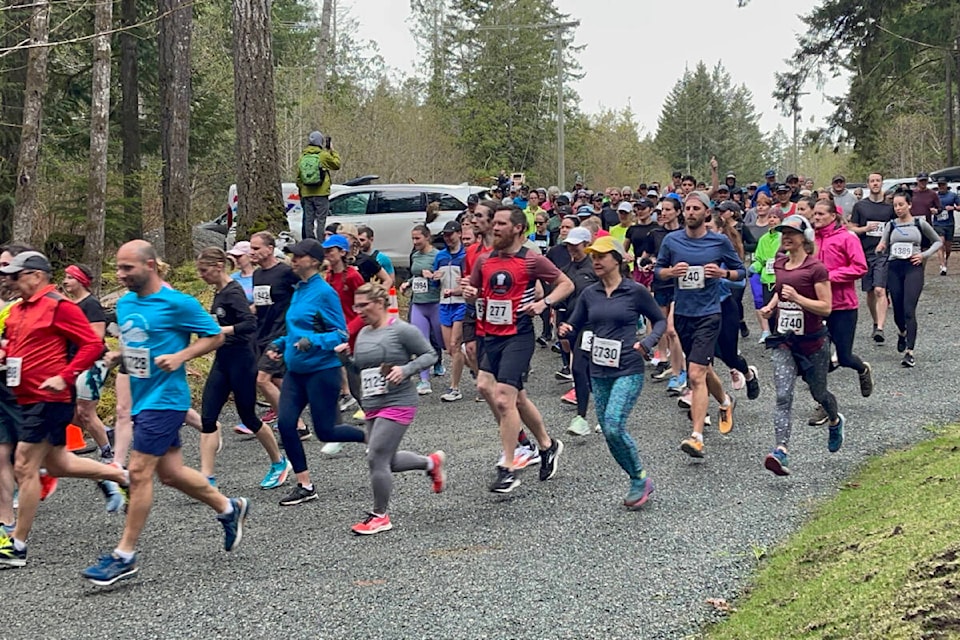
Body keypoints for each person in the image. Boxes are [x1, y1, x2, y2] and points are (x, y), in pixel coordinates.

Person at [81, 241, 247, 585]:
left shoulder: (177, 303)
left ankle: (124, 555)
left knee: (139, 472)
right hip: (143, 398)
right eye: (118, 267)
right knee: (170, 474)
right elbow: (137, 350)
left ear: (151, 265)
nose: (120, 274)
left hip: (167, 399)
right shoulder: (126, 305)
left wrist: (182, 357)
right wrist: (118, 358)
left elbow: (214, 336)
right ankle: (229, 508)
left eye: (128, 268)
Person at [0, 250, 129, 569]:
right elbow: (15, 348)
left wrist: (65, 375)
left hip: (52, 398)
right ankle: (119, 475)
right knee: (57, 464)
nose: (11, 280)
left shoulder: (59, 306)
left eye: (17, 275)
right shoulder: (17, 311)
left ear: (37, 276)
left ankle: (17, 545)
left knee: (24, 465)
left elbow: (93, 345)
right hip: (25, 397)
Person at [464, 205, 574, 493]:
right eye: (494, 223)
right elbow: (476, 291)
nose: (495, 228)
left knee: (503, 399)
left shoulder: (531, 260)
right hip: (491, 335)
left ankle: (509, 466)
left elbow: (566, 284)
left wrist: (543, 304)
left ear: (517, 229)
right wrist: (469, 293)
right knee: (498, 392)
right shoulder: (484, 261)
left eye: (501, 224)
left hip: (518, 335)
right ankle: (548, 445)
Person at [558, 236, 665, 508]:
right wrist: (566, 329)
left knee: (615, 424)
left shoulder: (635, 291)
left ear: (617, 260)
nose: (595, 260)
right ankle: (638, 477)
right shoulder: (589, 293)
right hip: (599, 369)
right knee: (607, 430)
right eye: (593, 256)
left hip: (628, 367)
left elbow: (660, 320)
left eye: (602, 256)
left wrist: (648, 343)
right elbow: (576, 321)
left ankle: (639, 478)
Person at [339, 283, 445, 535]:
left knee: (376, 456)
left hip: (399, 402)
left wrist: (406, 370)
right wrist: (344, 359)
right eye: (357, 306)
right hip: (373, 403)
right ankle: (430, 463)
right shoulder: (363, 333)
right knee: (385, 460)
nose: (360, 311)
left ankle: (380, 515)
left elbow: (430, 354)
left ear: (380, 303)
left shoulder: (401, 330)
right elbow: (360, 370)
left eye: (364, 305)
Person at [270, 239, 367, 506]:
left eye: (298, 256)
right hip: (295, 371)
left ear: (313, 260)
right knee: (286, 424)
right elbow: (297, 329)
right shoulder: (299, 289)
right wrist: (279, 344)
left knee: (327, 431)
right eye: (292, 256)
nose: (293, 260)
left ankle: (372, 436)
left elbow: (340, 333)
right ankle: (305, 485)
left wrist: (314, 341)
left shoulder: (324, 292)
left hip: (322, 371)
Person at [654, 192, 746, 458]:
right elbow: (658, 271)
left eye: (696, 208)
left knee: (694, 375)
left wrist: (722, 273)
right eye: (687, 208)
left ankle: (696, 437)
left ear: (707, 213)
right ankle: (726, 401)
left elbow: (741, 272)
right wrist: (671, 272)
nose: (690, 212)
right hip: (683, 313)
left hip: (709, 313)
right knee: (702, 370)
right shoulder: (672, 241)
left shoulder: (718, 242)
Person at [195, 248, 290, 489]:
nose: (201, 275)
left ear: (218, 266)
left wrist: (220, 331)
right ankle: (207, 477)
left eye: (204, 270)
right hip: (223, 358)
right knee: (207, 418)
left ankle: (279, 463)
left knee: (248, 416)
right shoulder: (219, 292)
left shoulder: (233, 292)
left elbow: (249, 324)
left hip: (243, 359)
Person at [759, 215, 844, 476]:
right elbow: (779, 289)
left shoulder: (816, 268)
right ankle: (780, 451)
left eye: (792, 233)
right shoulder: (781, 263)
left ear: (804, 238)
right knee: (783, 396)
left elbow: (826, 307)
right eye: (783, 232)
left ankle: (834, 420)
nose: (786, 237)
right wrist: (771, 307)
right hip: (785, 340)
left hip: (813, 342)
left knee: (819, 393)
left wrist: (798, 298)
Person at [811, 199, 872, 417]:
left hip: (843, 306)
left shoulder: (847, 237)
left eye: (820, 214)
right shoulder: (810, 240)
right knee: (820, 358)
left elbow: (860, 267)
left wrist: (829, 277)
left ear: (833, 216)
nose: (816, 217)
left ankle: (862, 368)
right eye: (814, 214)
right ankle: (824, 404)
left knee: (844, 357)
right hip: (817, 307)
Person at [248, 231, 307, 436]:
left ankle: (294, 423)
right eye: (250, 248)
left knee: (262, 379)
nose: (251, 253)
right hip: (262, 331)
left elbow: (304, 290)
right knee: (276, 380)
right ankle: (298, 421)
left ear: (270, 249)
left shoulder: (285, 272)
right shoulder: (257, 274)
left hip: (281, 332)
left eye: (256, 248)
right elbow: (262, 301)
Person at [876, 191, 942, 367]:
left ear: (909, 205)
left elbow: (937, 242)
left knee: (908, 309)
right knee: (897, 310)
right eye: (895, 205)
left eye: (901, 205)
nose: (898, 208)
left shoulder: (920, 223)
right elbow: (883, 243)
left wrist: (923, 255)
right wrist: (881, 246)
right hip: (894, 268)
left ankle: (910, 352)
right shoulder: (890, 225)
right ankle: (902, 333)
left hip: (913, 267)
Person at [61, 264, 113, 465]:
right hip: (75, 362)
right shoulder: (72, 304)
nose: (65, 281)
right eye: (65, 277)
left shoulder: (91, 304)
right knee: (71, 413)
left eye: (70, 277)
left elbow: (97, 337)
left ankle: (108, 453)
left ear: (81, 280)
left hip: (94, 363)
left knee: (85, 411)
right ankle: (107, 432)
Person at [556, 227, 599, 436]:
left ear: (587, 244)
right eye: (568, 245)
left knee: (582, 367)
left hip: (593, 325)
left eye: (575, 244)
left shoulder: (596, 268)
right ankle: (591, 415)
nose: (571, 248)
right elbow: (560, 300)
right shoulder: (565, 270)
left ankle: (582, 417)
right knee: (584, 370)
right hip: (572, 325)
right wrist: (560, 325)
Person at [849, 173, 896, 343]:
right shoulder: (861, 206)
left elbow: (897, 227)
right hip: (865, 253)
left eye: (878, 181)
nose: (875, 183)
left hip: (883, 253)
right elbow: (851, 228)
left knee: (880, 290)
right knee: (870, 292)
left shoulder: (890, 207)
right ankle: (875, 322)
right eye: (872, 181)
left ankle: (881, 328)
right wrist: (865, 228)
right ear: (868, 184)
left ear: (882, 183)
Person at [402, 225, 442, 396]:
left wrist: (433, 276)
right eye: (413, 238)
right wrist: (408, 283)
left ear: (427, 237)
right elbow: (415, 274)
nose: (415, 242)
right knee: (421, 342)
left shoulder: (438, 255)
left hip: (435, 302)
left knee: (441, 340)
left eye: (418, 238)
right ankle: (424, 380)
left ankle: (438, 361)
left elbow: (444, 276)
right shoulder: (415, 255)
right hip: (418, 302)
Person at [431, 221, 468, 402]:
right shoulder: (440, 257)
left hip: (462, 303)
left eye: (450, 234)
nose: (447, 238)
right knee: (450, 349)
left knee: (455, 344)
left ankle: (454, 387)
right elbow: (434, 282)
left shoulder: (466, 256)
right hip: (445, 304)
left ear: (459, 234)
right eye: (445, 235)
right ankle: (482, 373)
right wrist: (433, 277)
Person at [296, 130, 341, 240]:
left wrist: (302, 191)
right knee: (321, 220)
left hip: (307, 194)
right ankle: (321, 243)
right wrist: (332, 150)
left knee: (308, 220)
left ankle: (309, 242)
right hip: (321, 193)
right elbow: (337, 165)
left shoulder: (302, 157)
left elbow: (298, 177)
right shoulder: (323, 156)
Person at [748, 204, 783, 344]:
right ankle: (772, 334)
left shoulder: (783, 237)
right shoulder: (763, 239)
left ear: (781, 220)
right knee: (769, 309)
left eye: (775, 217)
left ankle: (781, 334)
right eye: (770, 217)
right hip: (766, 279)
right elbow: (759, 258)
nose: (772, 220)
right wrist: (754, 267)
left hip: (780, 278)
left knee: (781, 307)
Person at [933, 177, 958, 275]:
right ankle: (942, 266)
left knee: (948, 247)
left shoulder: (953, 195)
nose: (941, 187)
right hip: (938, 223)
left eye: (943, 185)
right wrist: (933, 210)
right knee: (940, 243)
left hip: (949, 223)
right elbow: (928, 206)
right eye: (939, 185)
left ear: (946, 185)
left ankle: (945, 260)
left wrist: (953, 207)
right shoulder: (934, 196)